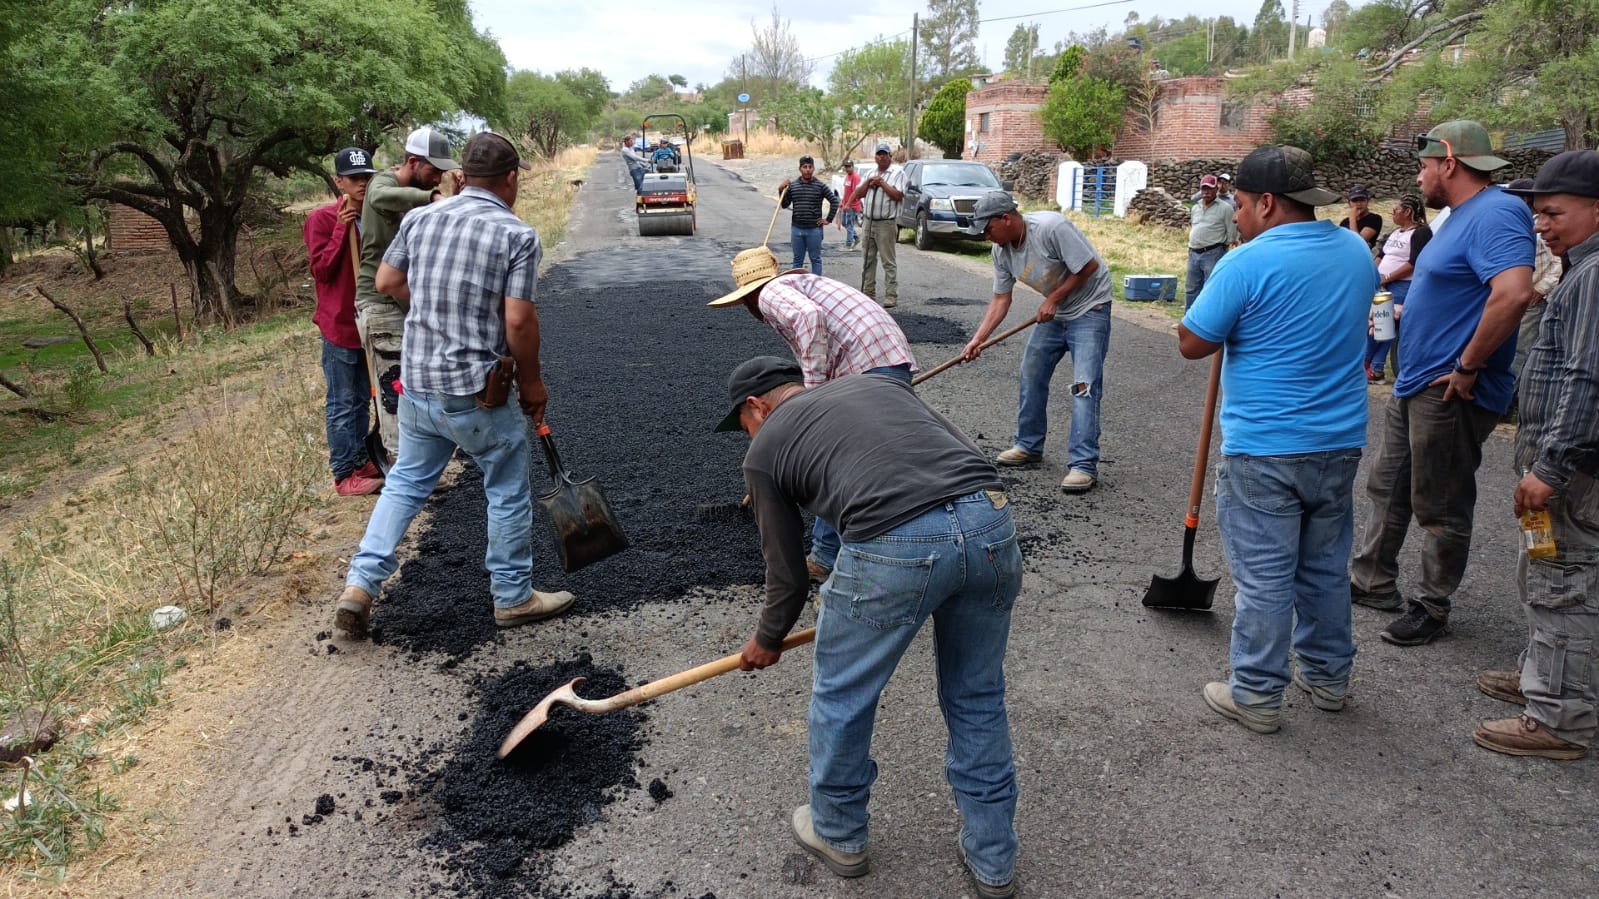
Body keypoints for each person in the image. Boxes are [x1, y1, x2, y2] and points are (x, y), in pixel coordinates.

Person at [718, 356, 1022, 899]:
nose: (745, 435)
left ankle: (838, 833)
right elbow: (957, 453)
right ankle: (994, 857)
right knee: (977, 695)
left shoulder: (764, 449)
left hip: (894, 544)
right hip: (990, 524)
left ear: (755, 406)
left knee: (843, 695)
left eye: (741, 424)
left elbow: (786, 570)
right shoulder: (875, 388)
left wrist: (767, 638)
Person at [333, 133, 573, 638]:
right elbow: (519, 323)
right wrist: (532, 383)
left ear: (462, 175)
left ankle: (359, 585)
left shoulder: (421, 218)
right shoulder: (516, 235)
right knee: (506, 486)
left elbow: (387, 283)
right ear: (511, 179)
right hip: (474, 394)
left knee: (404, 484)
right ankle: (512, 596)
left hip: (418, 387)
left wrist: (433, 311)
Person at [1177, 145, 1377, 734]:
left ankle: (1258, 695)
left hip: (1266, 446)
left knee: (1266, 578)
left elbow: (1192, 343)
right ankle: (1329, 678)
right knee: (1322, 567)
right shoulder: (1355, 250)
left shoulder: (1244, 263)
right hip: (1339, 441)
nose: (1235, 217)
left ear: (1266, 203)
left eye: (1239, 205)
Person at [1347, 120, 1535, 647]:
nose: (1420, 174)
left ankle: (1431, 605)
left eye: (1425, 164)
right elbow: (1458, 293)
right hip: (1415, 381)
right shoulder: (1458, 218)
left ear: (1449, 163)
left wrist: (1470, 364)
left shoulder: (1498, 212)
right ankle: (1371, 582)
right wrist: (1406, 312)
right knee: (1388, 486)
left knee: (1441, 501)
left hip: (1451, 389)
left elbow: (1514, 293)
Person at [1472, 151, 1599, 761]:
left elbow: (1587, 379)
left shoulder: (1595, 274)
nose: (1541, 226)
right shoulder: (1582, 267)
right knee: (1551, 572)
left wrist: (1551, 467)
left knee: (1565, 583)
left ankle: (1560, 716)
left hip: (1574, 472)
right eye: (1537, 214)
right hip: (1564, 467)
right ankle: (1543, 678)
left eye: (1554, 213)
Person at [707, 246, 920, 580]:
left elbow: (810, 320)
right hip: (883, 357)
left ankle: (841, 556)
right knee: (848, 457)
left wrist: (813, 392)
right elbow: (819, 336)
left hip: (870, 363)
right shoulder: (798, 289)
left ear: (748, 296)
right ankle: (832, 552)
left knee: (840, 459)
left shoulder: (771, 293)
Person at [961, 190, 1112, 494]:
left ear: (1006, 218)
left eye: (988, 229)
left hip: (1090, 308)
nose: (987, 236)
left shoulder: (1051, 228)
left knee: (1084, 386)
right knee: (1031, 374)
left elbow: (1089, 266)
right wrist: (978, 339)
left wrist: (1054, 298)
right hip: (1055, 314)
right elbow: (1001, 299)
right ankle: (1029, 445)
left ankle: (1083, 465)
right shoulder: (1001, 251)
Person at [355, 126, 460, 467]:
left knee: (416, 386)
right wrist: (432, 199)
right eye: (433, 170)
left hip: (408, 303)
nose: (438, 178)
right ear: (413, 162)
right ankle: (403, 467)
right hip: (383, 306)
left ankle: (423, 463)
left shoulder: (420, 193)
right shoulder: (381, 185)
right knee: (393, 387)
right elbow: (382, 197)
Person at [304, 147, 385, 497]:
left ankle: (359, 459)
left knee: (364, 398)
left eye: (367, 177)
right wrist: (341, 228)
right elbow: (321, 270)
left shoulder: (375, 216)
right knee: (342, 401)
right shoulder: (321, 219)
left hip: (367, 322)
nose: (362, 184)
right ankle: (343, 474)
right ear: (339, 181)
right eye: (354, 178)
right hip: (339, 323)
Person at [1505, 177, 1566, 404]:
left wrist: (1540, 289)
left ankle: (1508, 401)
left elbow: (1558, 262)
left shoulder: (1541, 227)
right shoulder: (1518, 223)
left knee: (1521, 349)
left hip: (1532, 300)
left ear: (1526, 199)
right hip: (1512, 297)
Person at [1365, 195, 1433, 384]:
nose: (1393, 213)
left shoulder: (1421, 233)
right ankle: (1370, 365)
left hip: (1402, 285)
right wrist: (1373, 274)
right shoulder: (1395, 232)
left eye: (1396, 210)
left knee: (1386, 326)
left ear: (1408, 212)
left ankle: (1374, 367)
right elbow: (1382, 255)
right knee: (1377, 325)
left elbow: (1414, 262)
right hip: (1384, 284)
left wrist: (1388, 277)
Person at [848, 144, 908, 308]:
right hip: (869, 221)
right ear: (875, 157)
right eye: (878, 154)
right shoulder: (870, 173)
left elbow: (898, 195)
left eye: (884, 154)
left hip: (886, 223)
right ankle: (868, 293)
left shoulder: (897, 173)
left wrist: (882, 183)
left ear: (890, 156)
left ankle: (891, 295)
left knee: (888, 260)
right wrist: (868, 183)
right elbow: (859, 194)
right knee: (867, 258)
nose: (881, 157)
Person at [1185, 174, 1238, 310]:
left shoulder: (1225, 208)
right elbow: (1194, 226)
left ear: (1216, 189)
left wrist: (1222, 246)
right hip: (1193, 252)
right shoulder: (1196, 208)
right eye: (1204, 189)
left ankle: (1206, 323)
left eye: (1209, 189)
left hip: (1213, 252)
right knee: (1191, 289)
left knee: (1210, 289)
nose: (1206, 192)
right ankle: (1189, 320)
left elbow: (1231, 232)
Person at [778, 156, 838, 276]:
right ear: (800, 169)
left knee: (815, 259)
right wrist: (780, 189)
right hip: (797, 230)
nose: (807, 170)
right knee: (797, 261)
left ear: (813, 168)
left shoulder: (820, 186)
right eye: (805, 167)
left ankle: (816, 286)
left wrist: (828, 220)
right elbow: (784, 205)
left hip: (814, 230)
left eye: (810, 167)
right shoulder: (793, 186)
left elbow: (834, 201)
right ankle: (796, 287)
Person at [1339, 185, 1383, 249]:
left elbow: (1358, 243)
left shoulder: (1374, 219)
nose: (1359, 204)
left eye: (1362, 200)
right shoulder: (1344, 222)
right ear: (1349, 203)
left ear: (1367, 201)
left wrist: (1352, 218)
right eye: (1355, 200)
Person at [837, 159, 862, 249]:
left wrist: (849, 204)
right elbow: (846, 191)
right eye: (846, 167)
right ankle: (856, 237)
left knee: (850, 224)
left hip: (852, 205)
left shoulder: (856, 177)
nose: (847, 169)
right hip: (845, 205)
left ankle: (848, 244)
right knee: (844, 223)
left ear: (853, 167)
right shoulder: (847, 176)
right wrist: (842, 202)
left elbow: (856, 192)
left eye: (849, 166)